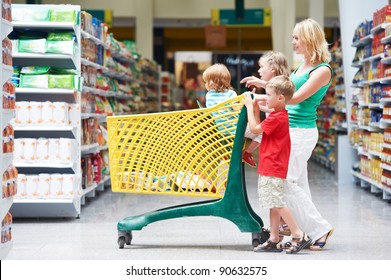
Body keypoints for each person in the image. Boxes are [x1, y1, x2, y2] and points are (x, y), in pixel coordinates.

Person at [240, 18, 334, 251]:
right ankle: (306, 228)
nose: (292, 42)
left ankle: (319, 228)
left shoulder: (321, 70)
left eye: (296, 38)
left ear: (309, 39)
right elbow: (285, 93)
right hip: (288, 129)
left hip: (301, 131)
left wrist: (260, 96)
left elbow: (296, 97)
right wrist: (263, 86)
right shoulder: (300, 66)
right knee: (299, 183)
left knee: (284, 182)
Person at [244, 75, 311, 254]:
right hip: (270, 164)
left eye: (268, 95)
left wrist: (250, 107)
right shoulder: (278, 114)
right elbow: (259, 124)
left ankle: (298, 233)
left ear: (280, 98)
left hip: (273, 165)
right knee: (272, 202)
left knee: (277, 202)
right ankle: (274, 237)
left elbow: (254, 128)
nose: (266, 98)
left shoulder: (276, 118)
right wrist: (256, 105)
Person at [203, 64, 262, 155]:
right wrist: (245, 100)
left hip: (221, 130)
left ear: (212, 82)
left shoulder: (208, 96)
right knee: (261, 134)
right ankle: (247, 153)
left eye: (206, 82)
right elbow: (237, 109)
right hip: (235, 129)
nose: (205, 84)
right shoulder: (231, 94)